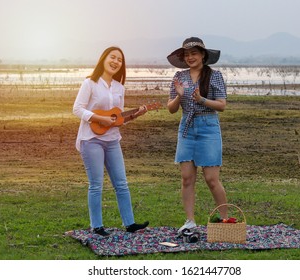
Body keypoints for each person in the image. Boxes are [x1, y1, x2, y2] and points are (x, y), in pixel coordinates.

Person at [73, 46, 149, 236]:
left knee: (121, 183)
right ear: (104, 59)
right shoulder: (90, 83)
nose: (116, 62)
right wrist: (99, 119)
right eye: (112, 57)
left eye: (120, 60)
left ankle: (130, 223)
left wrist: (134, 116)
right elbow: (77, 109)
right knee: (96, 184)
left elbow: (117, 119)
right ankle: (97, 226)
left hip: (112, 140)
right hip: (91, 140)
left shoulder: (119, 87)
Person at [166, 37, 229, 233]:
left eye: (194, 53)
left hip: (208, 126)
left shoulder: (214, 75)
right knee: (186, 178)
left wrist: (201, 99)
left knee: (211, 178)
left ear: (203, 55)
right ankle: (190, 221)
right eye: (187, 54)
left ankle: (225, 220)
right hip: (186, 126)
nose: (190, 57)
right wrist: (178, 95)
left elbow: (222, 105)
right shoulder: (179, 76)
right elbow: (171, 109)